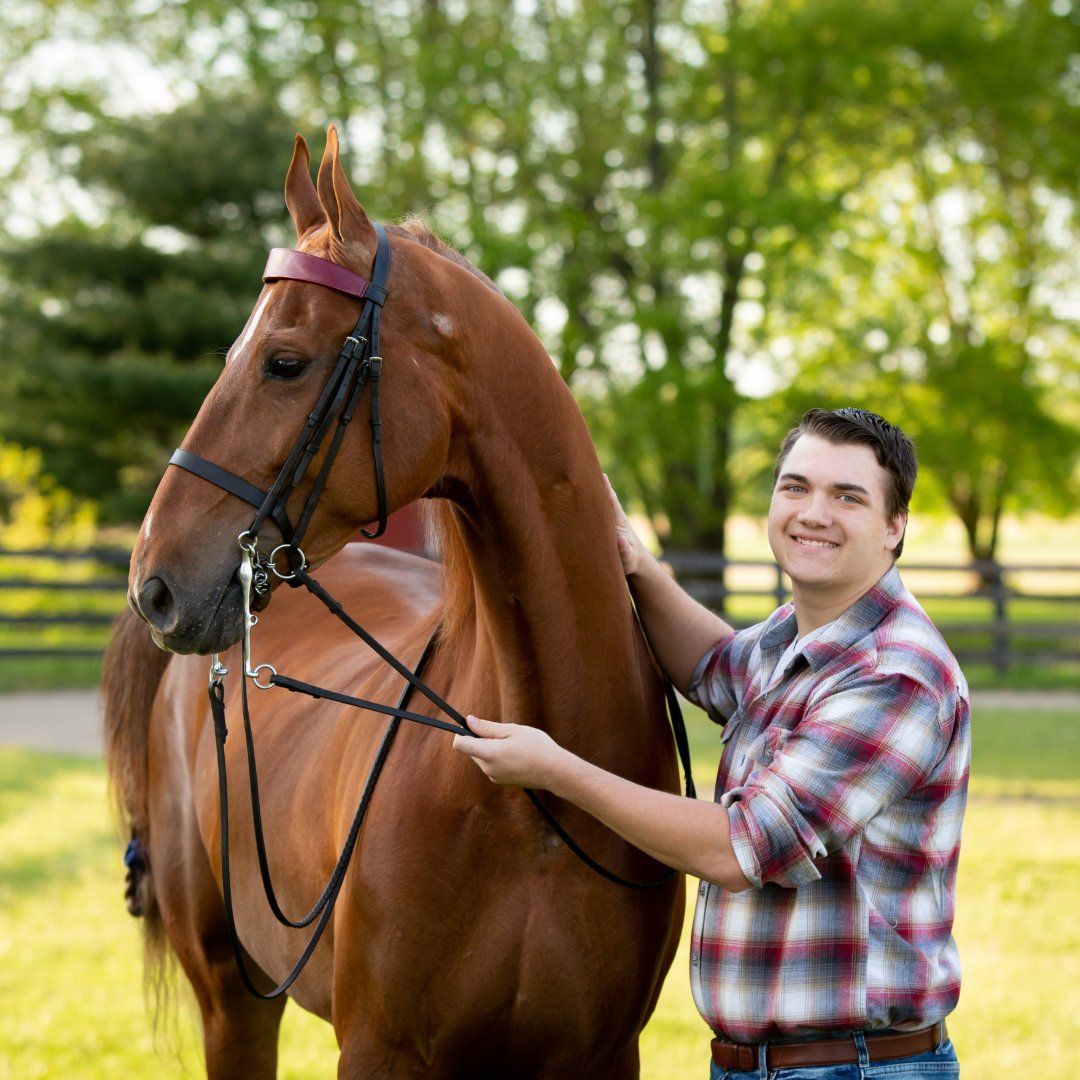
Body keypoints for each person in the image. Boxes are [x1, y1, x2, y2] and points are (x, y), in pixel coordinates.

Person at [452, 407, 969, 1078]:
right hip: (770, 1065)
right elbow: (712, 666)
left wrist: (555, 770)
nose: (813, 512)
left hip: (852, 1068)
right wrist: (635, 563)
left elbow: (741, 846)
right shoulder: (798, 637)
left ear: (895, 526)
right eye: (795, 487)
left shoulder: (895, 675)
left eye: (847, 496)